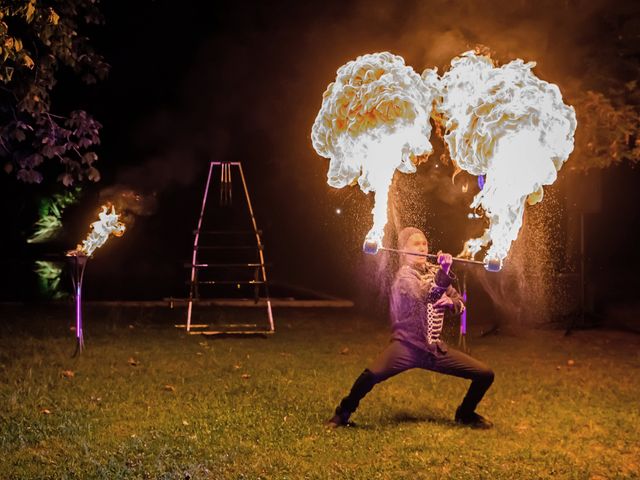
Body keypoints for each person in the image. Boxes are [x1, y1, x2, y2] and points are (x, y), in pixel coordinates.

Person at [327, 226, 495, 429]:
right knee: (371, 375)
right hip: (407, 347)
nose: (423, 247)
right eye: (416, 244)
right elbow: (426, 296)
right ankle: (342, 414)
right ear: (404, 251)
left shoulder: (434, 270)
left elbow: (460, 302)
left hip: (434, 350)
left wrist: (452, 303)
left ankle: (465, 414)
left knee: (485, 374)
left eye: (424, 243)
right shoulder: (404, 277)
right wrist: (443, 273)